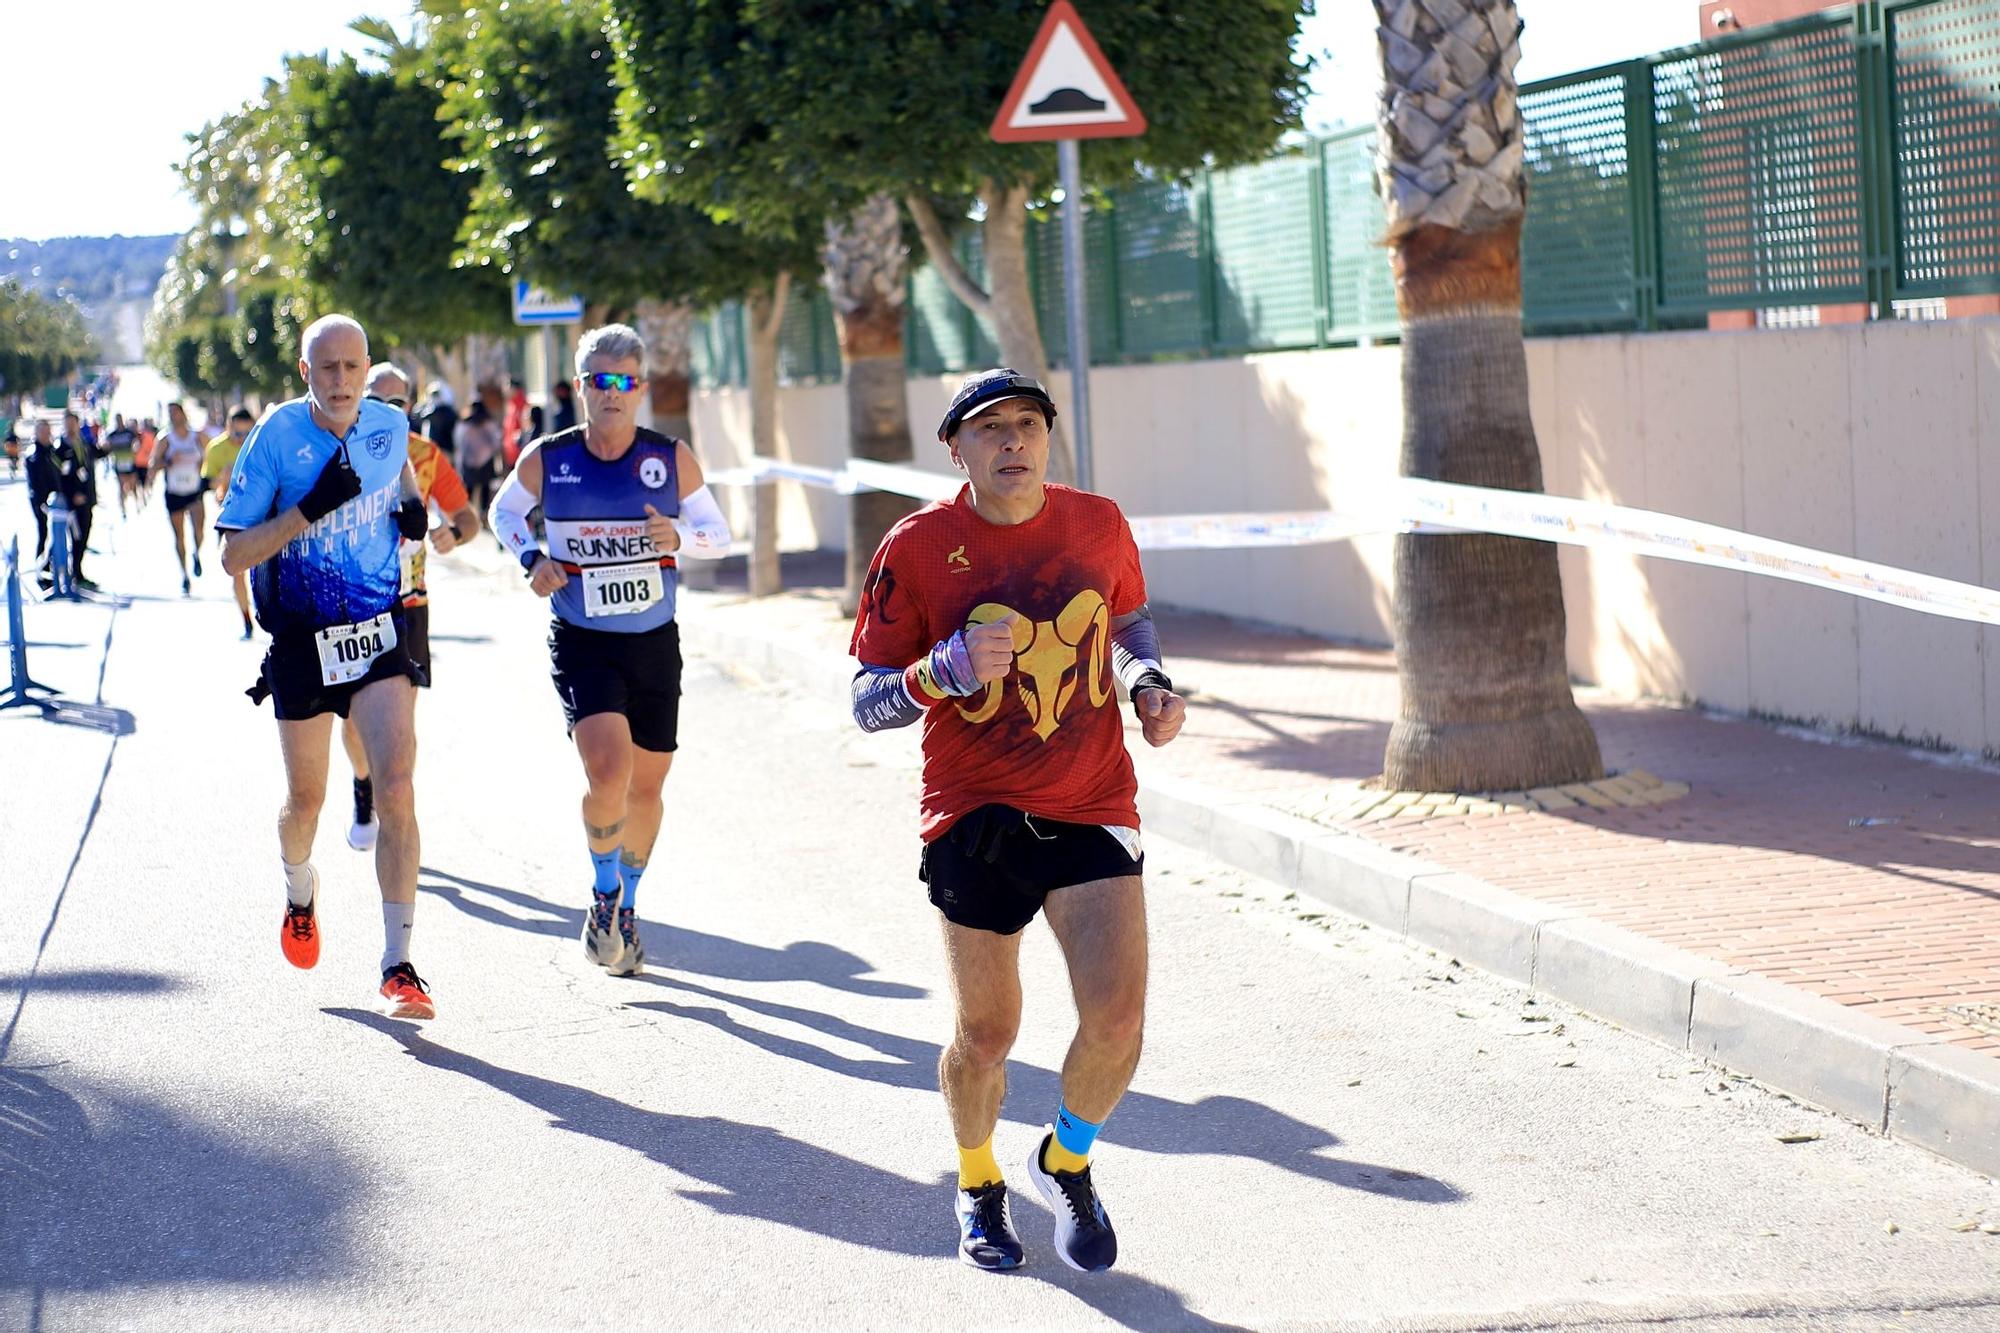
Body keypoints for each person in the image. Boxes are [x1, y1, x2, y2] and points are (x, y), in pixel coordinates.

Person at [847, 368, 1189, 1274]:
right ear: (955, 448)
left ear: (1047, 437)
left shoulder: (1098, 523)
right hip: (975, 811)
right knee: (988, 1035)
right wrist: (941, 671)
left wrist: (1143, 682)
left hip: (1090, 799)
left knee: (1117, 1017)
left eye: (1028, 424)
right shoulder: (917, 546)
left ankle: (1063, 1158)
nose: (1013, 441)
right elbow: (866, 700)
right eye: (989, 427)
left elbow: (1126, 621)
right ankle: (977, 1181)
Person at [488, 323, 732, 976]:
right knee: (609, 773)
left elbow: (719, 534)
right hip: (583, 639)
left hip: (654, 641)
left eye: (625, 380)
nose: (613, 392)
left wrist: (677, 534)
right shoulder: (550, 456)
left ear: (642, 388)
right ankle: (601, 892)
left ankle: (629, 904)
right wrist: (532, 557)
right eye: (600, 380)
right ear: (580, 387)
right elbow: (503, 514)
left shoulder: (668, 457)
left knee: (647, 790)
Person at [215, 313, 437, 1020]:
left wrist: (410, 511)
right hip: (303, 641)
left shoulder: (388, 425)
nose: (342, 381)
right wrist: (307, 511)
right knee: (304, 803)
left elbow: (400, 479)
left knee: (397, 785)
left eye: (353, 367)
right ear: (306, 372)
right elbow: (232, 556)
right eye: (327, 368)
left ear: (367, 368)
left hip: (377, 632)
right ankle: (299, 888)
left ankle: (398, 964)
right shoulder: (276, 437)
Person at [341, 362, 479, 852]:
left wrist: (453, 533)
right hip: (350, 606)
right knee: (354, 720)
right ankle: (364, 785)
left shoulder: (425, 454)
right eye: (375, 402)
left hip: (409, 602)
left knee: (401, 720)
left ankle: (396, 803)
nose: (386, 412)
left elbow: (468, 516)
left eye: (397, 404)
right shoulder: (340, 451)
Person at [203, 406, 256, 637]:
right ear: (228, 428)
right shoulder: (216, 448)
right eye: (237, 435)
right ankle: (246, 619)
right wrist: (221, 480)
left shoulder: (260, 444)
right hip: (233, 516)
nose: (242, 439)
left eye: (247, 434)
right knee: (238, 571)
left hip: (264, 515)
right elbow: (206, 484)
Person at [149, 402, 208, 596]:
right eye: (171, 413)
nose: (175, 416)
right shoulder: (166, 439)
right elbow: (153, 465)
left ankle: (196, 554)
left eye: (177, 412)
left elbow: (211, 455)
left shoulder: (197, 437)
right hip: (174, 492)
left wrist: (204, 465)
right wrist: (167, 461)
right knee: (179, 535)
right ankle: (184, 575)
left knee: (199, 529)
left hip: (194, 490)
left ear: (184, 414)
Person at [56, 412, 97, 589]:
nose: (70, 427)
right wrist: (72, 495)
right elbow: (59, 477)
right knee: (75, 537)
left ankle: (78, 571)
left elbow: (91, 461)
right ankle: (73, 574)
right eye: (67, 424)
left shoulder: (83, 443)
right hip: (72, 501)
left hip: (87, 498)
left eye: (73, 423)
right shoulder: (60, 448)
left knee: (85, 534)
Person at [454, 398, 502, 521]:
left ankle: (468, 516)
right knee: (485, 490)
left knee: (468, 490)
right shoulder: (488, 423)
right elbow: (496, 442)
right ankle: (484, 515)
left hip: (468, 462)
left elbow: (458, 442)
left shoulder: (464, 424)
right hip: (486, 462)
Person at [105, 414, 141, 517]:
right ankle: (123, 509)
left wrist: (135, 449)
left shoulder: (129, 433)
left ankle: (137, 504)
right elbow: (107, 447)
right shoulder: (112, 435)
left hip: (130, 463)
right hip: (119, 464)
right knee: (121, 487)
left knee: (133, 485)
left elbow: (136, 443)